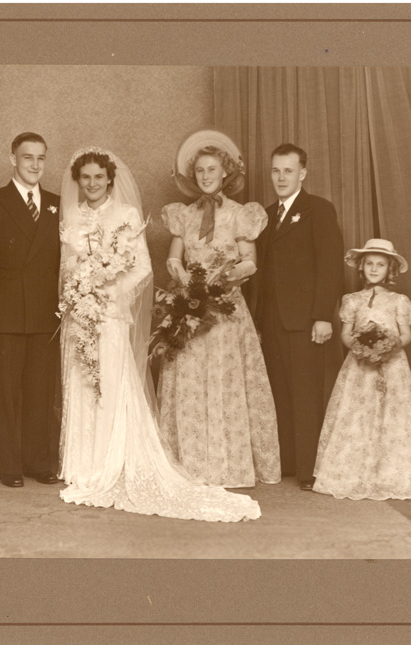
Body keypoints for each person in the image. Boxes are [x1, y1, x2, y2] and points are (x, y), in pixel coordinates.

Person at [58, 146, 260, 522]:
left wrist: (110, 293)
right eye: (85, 177)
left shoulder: (127, 215)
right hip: (84, 313)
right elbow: (68, 264)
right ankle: (82, 465)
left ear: (110, 179)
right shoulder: (71, 216)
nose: (92, 183)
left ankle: (115, 460)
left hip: (116, 313)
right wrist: (82, 286)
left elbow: (140, 270)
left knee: (114, 385)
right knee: (84, 379)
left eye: (99, 177)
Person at [156, 130, 281, 488]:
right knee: (191, 378)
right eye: (199, 171)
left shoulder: (241, 214)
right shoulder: (183, 215)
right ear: (192, 177)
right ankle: (191, 460)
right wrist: (184, 277)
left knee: (225, 380)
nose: (206, 176)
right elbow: (173, 258)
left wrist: (222, 278)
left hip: (226, 310)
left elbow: (250, 262)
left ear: (225, 172)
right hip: (191, 307)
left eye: (212, 169)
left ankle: (229, 461)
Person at [312, 239, 411, 500]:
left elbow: (406, 333)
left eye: (380, 264)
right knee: (357, 413)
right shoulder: (352, 300)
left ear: (390, 269)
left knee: (397, 413)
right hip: (360, 365)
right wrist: (359, 348)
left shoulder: (399, 301)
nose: (374, 269)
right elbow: (345, 333)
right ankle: (355, 472)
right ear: (361, 268)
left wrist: (390, 346)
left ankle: (394, 472)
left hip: (393, 364)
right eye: (369, 264)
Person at [253, 143, 345, 491]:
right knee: (279, 393)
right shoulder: (265, 214)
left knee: (306, 395)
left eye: (288, 171)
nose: (280, 177)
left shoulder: (318, 210)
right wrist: (258, 321)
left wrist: (323, 316)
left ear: (302, 173)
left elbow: (331, 264)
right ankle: (289, 464)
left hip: (306, 320)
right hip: (273, 321)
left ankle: (308, 471)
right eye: (275, 170)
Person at [0, 133, 61, 488]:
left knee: (41, 391)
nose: (35, 165)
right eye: (27, 158)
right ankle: (9, 466)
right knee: (7, 391)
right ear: (13, 159)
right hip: (5, 311)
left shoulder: (58, 203)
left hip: (44, 313)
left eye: (41, 158)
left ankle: (38, 462)